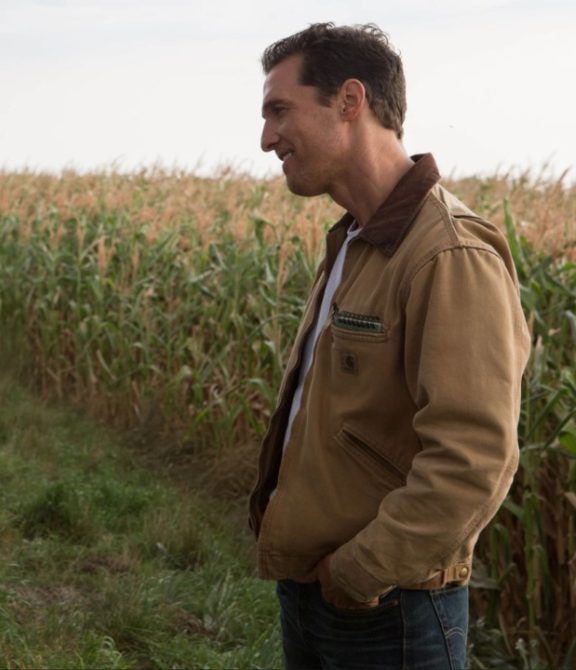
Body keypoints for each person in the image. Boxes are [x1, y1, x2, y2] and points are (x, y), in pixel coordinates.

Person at [247, 23, 529, 669]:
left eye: (279, 111)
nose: (266, 139)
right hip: (317, 595)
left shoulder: (447, 253)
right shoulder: (355, 241)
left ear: (350, 101)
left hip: (390, 611)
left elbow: (473, 458)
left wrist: (358, 572)